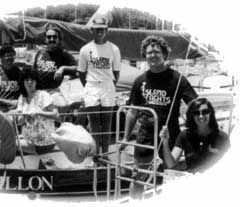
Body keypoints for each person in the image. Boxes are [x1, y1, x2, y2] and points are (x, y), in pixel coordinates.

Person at [121, 35, 197, 199]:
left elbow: (194, 104)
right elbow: (132, 112)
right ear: (144, 56)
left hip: (169, 137)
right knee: (137, 178)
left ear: (164, 54)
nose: (152, 55)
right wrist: (126, 138)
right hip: (144, 138)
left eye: (156, 52)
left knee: (169, 178)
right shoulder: (140, 81)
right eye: (149, 53)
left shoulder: (177, 79)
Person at [78, 16, 121, 157]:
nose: (100, 32)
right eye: (97, 29)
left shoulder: (114, 49)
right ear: (92, 30)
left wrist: (109, 85)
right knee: (94, 124)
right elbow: (81, 72)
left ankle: (106, 154)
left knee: (107, 123)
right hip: (91, 85)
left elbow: (116, 72)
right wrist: (89, 86)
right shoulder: (85, 49)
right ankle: (96, 156)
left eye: (102, 29)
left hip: (108, 85)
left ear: (106, 30)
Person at [160, 97, 230, 173]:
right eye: (196, 113)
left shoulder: (222, 137)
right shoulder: (184, 135)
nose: (201, 116)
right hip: (192, 180)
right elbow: (171, 165)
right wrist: (165, 142)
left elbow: (229, 166)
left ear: (211, 113)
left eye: (205, 112)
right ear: (192, 115)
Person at [33, 26, 78, 106]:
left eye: (54, 37)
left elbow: (77, 68)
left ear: (59, 39)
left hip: (53, 91)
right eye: (49, 37)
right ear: (45, 39)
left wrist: (62, 68)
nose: (52, 39)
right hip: (37, 91)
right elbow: (33, 71)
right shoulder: (39, 53)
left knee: (64, 106)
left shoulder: (63, 53)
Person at [16, 69, 59, 145]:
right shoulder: (22, 98)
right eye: (27, 80)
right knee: (4, 143)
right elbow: (20, 122)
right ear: (22, 82)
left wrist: (39, 113)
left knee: (2, 145)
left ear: (36, 82)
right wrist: (22, 117)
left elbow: (56, 115)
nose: (29, 82)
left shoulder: (43, 95)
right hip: (28, 138)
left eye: (32, 80)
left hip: (45, 140)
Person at [0, 45, 22, 112]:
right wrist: (8, 102)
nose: (10, 58)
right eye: (7, 56)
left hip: (14, 110)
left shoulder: (20, 73)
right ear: (1, 57)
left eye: (12, 56)